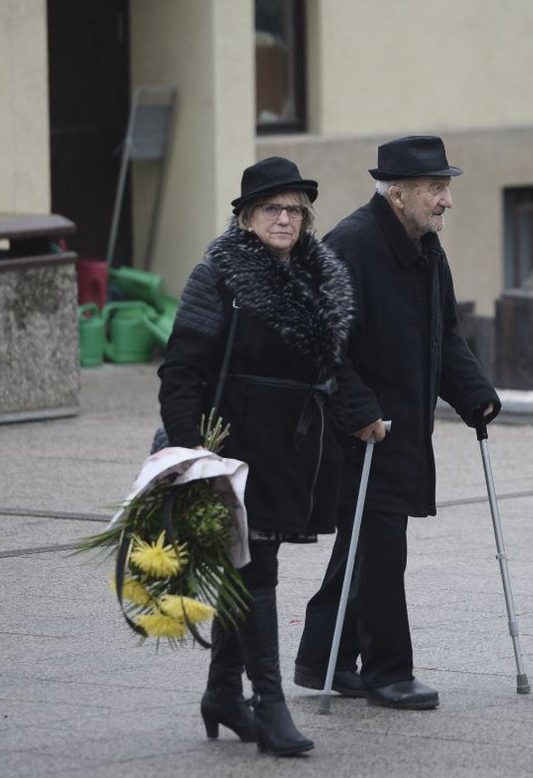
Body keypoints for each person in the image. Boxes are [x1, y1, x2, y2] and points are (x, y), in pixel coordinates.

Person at [293, 135, 500, 710]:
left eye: (447, 187)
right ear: (399, 192)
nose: (446, 201)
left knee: (363, 546)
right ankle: (388, 671)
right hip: (359, 430)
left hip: (404, 427)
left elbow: (445, 333)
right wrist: (360, 413)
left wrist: (474, 395)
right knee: (382, 549)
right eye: (436, 189)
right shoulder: (351, 246)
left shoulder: (426, 246)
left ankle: (322, 658)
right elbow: (322, 346)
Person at [158, 157, 354, 755]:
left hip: (291, 449)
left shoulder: (319, 277)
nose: (285, 218)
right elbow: (181, 370)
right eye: (272, 208)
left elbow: (333, 369)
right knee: (255, 571)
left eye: (295, 209)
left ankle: (222, 693)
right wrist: (190, 452)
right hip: (232, 446)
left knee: (250, 566)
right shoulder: (218, 274)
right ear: (245, 217)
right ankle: (268, 706)